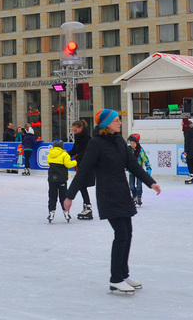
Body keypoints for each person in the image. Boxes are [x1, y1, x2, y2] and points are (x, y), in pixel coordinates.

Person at [65, 109, 160, 293]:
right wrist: (70, 196)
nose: (120, 123)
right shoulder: (96, 144)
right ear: (106, 123)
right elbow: (83, 170)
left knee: (128, 233)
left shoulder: (118, 140)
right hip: (108, 195)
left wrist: (150, 182)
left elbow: (132, 164)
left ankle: (123, 274)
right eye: (116, 120)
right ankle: (115, 278)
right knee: (121, 234)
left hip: (122, 193)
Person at [69, 120, 94, 220]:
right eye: (73, 131)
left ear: (81, 128)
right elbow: (75, 149)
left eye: (75, 130)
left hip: (87, 165)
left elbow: (87, 151)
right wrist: (65, 155)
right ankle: (87, 206)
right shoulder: (78, 137)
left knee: (81, 184)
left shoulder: (87, 138)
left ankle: (88, 206)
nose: (74, 132)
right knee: (81, 185)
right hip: (81, 164)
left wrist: (77, 158)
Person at [46, 139, 76, 222]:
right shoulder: (64, 154)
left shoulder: (50, 154)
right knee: (63, 196)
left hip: (52, 178)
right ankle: (66, 212)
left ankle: (51, 212)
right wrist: (76, 162)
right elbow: (68, 164)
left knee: (52, 196)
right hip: (62, 178)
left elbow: (49, 163)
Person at [127, 134, 151, 206]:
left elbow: (145, 159)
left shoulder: (140, 150)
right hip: (131, 171)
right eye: (131, 143)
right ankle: (134, 197)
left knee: (139, 185)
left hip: (139, 171)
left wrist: (148, 167)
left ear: (137, 143)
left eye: (133, 143)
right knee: (131, 185)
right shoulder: (128, 149)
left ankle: (139, 197)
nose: (132, 145)